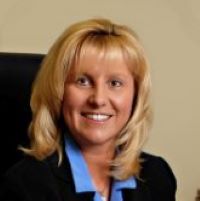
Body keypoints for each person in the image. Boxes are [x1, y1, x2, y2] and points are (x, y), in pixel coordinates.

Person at [0, 18, 177, 201]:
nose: (98, 99)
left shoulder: (157, 176)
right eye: (82, 81)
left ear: (136, 95)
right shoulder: (26, 185)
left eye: (115, 83)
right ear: (58, 91)